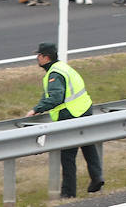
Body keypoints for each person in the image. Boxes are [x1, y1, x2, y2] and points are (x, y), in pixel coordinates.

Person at [25, 43, 104, 198]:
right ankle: (97, 177)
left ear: (45, 57)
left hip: (71, 114)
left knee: (67, 155)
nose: (37, 58)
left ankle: (68, 193)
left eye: (38, 55)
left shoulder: (54, 74)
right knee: (88, 144)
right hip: (85, 109)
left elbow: (55, 97)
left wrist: (36, 109)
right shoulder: (63, 67)